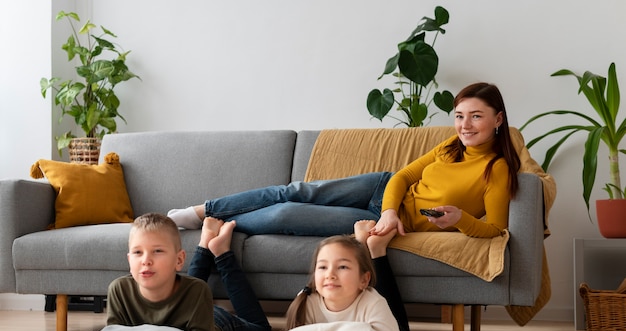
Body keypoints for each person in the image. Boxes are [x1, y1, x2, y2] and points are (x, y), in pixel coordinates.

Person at [168, 82, 520, 240]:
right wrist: (390, 209)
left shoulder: (497, 170)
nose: (464, 125)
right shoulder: (449, 147)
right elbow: (403, 175)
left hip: (375, 220)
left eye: (476, 116)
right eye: (460, 116)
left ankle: (215, 222)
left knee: (286, 214)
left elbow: (497, 231)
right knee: (295, 190)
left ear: (498, 120)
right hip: (383, 194)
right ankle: (203, 210)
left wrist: (461, 220)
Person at [86, 213, 272, 331]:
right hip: (186, 313)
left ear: (180, 259)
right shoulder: (119, 290)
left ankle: (221, 253)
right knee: (171, 279)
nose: (146, 260)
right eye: (137, 252)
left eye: (157, 251)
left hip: (218, 327)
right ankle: (205, 242)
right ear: (129, 259)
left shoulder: (197, 293)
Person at [281, 228, 409, 331]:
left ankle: (372, 248)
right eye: (322, 267)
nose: (330, 274)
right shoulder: (308, 302)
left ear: (364, 280)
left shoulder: (374, 303)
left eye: (342, 267)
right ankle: (362, 245)